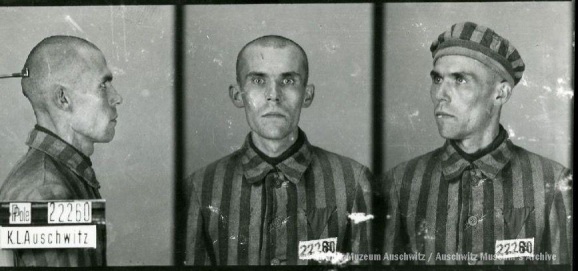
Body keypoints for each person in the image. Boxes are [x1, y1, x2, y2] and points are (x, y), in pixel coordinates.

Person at [380, 22, 572, 265]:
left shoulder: (553, 183)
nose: (440, 94)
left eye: (460, 79)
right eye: (438, 79)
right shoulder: (401, 183)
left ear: (500, 94)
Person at [184, 35, 373, 265]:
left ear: (307, 94)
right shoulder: (200, 187)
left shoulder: (353, 181)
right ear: (237, 94)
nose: (273, 95)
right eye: (258, 80)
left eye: (288, 81)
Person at [0, 35, 122, 267]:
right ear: (63, 98)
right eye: (103, 85)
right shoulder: (48, 192)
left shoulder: (56, 175)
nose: (117, 97)